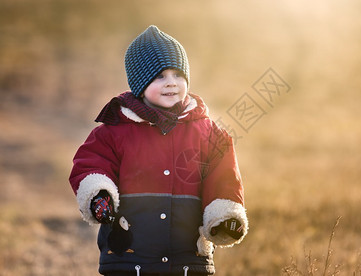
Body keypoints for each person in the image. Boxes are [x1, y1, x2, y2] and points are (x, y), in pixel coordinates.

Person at [69, 25, 248, 276]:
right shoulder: (115, 130)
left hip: (187, 259)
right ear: (140, 84)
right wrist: (99, 195)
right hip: (129, 257)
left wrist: (224, 213)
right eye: (159, 76)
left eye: (178, 75)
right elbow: (91, 164)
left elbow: (224, 177)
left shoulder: (207, 133)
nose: (171, 83)